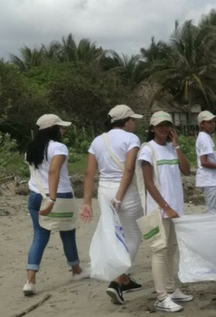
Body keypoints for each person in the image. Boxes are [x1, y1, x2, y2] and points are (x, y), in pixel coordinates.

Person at [80, 105, 144, 304]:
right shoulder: (131, 139)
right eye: (132, 119)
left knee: (116, 233)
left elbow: (89, 173)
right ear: (125, 122)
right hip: (125, 191)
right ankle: (117, 281)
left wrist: (86, 202)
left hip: (104, 191)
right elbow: (129, 169)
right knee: (133, 235)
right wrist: (119, 196)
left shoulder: (98, 140)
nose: (134, 122)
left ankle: (124, 279)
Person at [23, 114, 89, 296]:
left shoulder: (30, 149)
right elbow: (54, 171)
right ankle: (76, 271)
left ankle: (30, 280)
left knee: (39, 236)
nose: (63, 130)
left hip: (35, 195)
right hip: (59, 196)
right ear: (53, 129)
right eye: (60, 127)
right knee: (67, 234)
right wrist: (52, 199)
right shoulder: (58, 147)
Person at [138, 111, 193, 312]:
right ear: (152, 128)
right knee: (160, 252)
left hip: (175, 210)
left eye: (167, 124)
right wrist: (166, 207)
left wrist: (177, 145)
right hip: (159, 210)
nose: (164, 128)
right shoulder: (147, 150)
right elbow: (148, 183)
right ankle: (161, 297)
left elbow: (187, 170)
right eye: (159, 125)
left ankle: (171, 289)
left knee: (171, 251)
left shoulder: (171, 148)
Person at [195, 111, 216, 214]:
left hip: (210, 179)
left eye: (213, 122)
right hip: (209, 180)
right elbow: (204, 162)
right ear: (202, 124)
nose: (212, 124)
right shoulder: (204, 138)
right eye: (209, 122)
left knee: (213, 209)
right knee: (214, 211)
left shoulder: (206, 137)